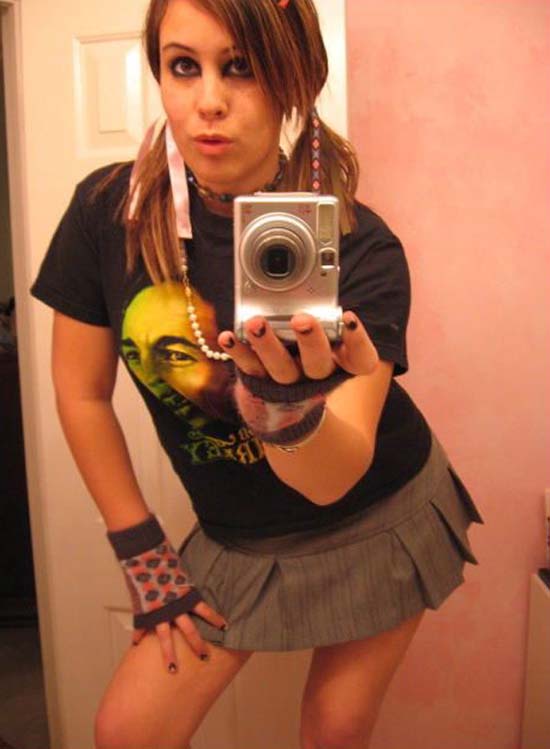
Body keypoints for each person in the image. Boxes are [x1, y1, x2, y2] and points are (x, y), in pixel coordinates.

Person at [31, 0, 483, 747]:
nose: (208, 100)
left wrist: (283, 406)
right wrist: (141, 550)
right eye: (184, 66)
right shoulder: (107, 215)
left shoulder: (360, 249)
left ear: (293, 78)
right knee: (127, 731)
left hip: (381, 511)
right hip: (237, 535)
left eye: (240, 67)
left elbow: (334, 476)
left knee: (335, 730)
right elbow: (80, 393)